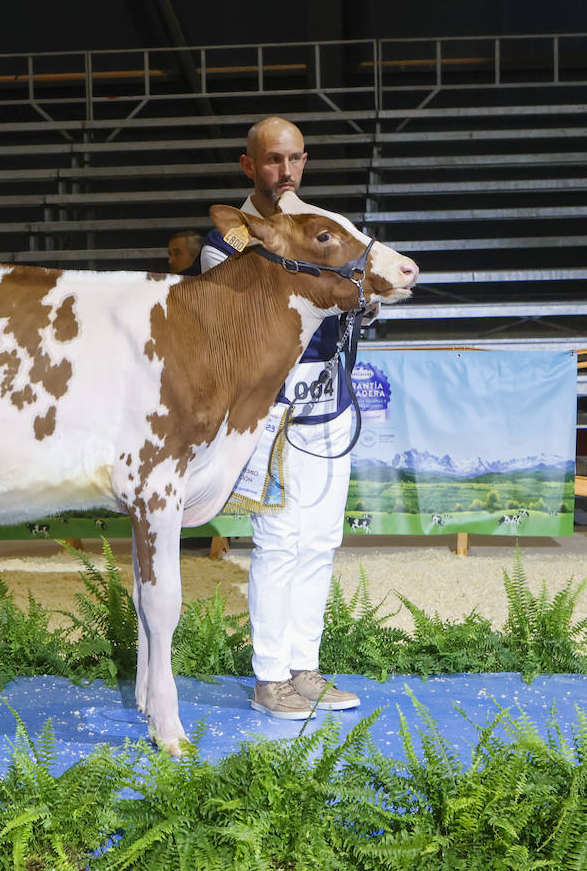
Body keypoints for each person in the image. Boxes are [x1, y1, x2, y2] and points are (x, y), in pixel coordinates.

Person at [199, 116, 362, 720]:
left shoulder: (323, 228)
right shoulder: (227, 243)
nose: (285, 172)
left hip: (331, 403)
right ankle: (270, 676)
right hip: (273, 411)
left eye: (294, 159)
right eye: (272, 160)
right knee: (279, 541)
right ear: (249, 166)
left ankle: (305, 668)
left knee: (321, 539)